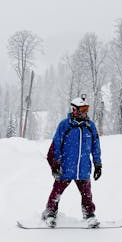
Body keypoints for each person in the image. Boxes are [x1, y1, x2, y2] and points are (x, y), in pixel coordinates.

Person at [42, 94, 102, 227]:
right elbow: (56, 144)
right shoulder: (65, 125)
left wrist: (98, 163)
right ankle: (50, 213)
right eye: (83, 109)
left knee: (87, 195)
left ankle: (89, 215)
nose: (85, 111)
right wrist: (56, 163)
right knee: (56, 192)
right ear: (75, 110)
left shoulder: (90, 126)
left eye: (87, 108)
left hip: (83, 168)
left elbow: (95, 145)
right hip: (66, 167)